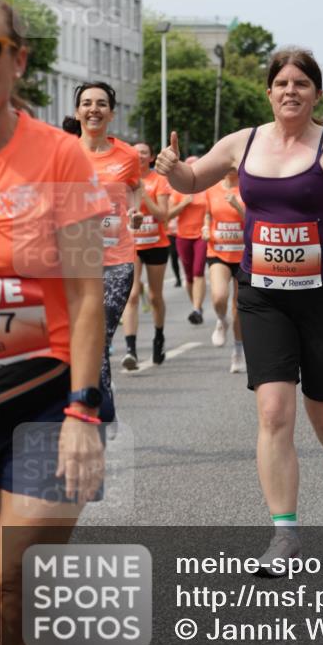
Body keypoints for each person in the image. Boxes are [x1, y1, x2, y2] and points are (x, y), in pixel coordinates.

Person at [155, 46, 323, 571]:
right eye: (282, 83)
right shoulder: (242, 144)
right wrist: (172, 169)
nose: (290, 90)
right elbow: (190, 181)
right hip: (264, 293)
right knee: (274, 412)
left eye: (301, 83)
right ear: (269, 91)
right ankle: (285, 534)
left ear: (316, 93)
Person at [0, 0, 107, 645]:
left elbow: (87, 291)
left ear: (17, 60)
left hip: (45, 400)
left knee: (17, 586)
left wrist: (83, 413)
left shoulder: (59, 156)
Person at [63, 82, 142, 421]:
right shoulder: (63, 152)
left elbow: (135, 188)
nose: (93, 109)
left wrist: (135, 210)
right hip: (74, 262)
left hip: (116, 261)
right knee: (78, 337)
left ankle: (97, 410)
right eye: (86, 103)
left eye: (100, 104)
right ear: (78, 111)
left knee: (99, 334)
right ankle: (98, 404)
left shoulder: (127, 155)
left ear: (111, 112)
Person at [121, 144, 171, 370]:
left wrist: (143, 194)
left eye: (143, 152)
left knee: (154, 297)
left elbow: (163, 215)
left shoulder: (159, 180)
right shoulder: (122, 180)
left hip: (156, 244)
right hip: (131, 245)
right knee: (131, 295)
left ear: (150, 157)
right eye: (135, 152)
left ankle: (159, 337)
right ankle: (130, 349)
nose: (139, 155)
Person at [203, 167, 246, 372]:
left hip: (244, 254)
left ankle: (238, 351)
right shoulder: (212, 190)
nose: (231, 168)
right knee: (219, 297)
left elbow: (255, 220)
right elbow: (207, 214)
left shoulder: (249, 188)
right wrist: (205, 227)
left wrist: (237, 206)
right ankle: (221, 321)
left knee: (238, 307)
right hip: (218, 251)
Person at [168, 157, 209, 325]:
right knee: (189, 276)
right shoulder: (178, 190)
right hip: (183, 235)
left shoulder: (208, 188)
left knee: (198, 270)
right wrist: (184, 203)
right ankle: (196, 305)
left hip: (202, 235)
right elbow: (168, 215)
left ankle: (196, 309)